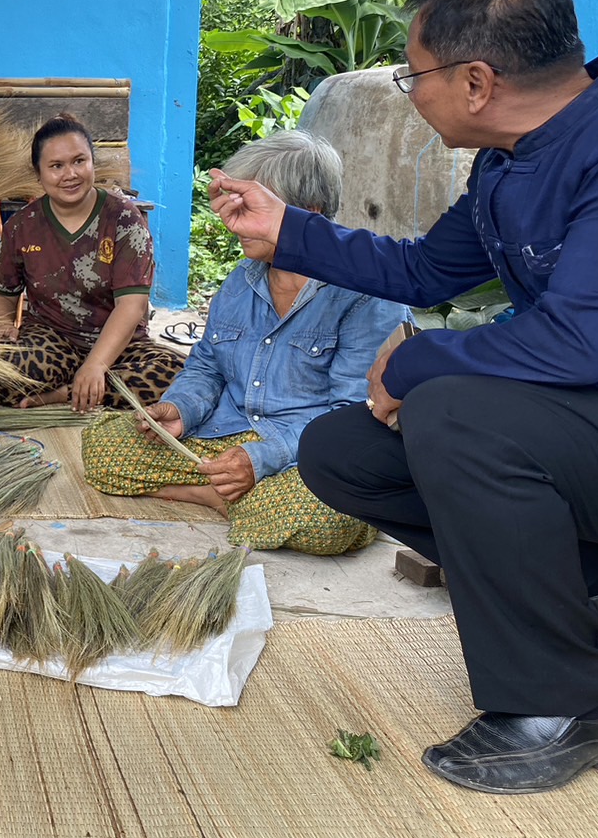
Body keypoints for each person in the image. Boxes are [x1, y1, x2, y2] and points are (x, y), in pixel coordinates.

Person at [209, 0, 598, 794]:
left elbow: (579, 342)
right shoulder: (510, 159)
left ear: (474, 81)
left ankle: (570, 705)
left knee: (449, 413)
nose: (411, 89)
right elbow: (422, 272)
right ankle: (584, 576)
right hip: (587, 431)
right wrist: (287, 226)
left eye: (414, 73)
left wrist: (420, 357)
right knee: (339, 451)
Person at [81, 132, 408, 555]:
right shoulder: (242, 281)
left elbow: (353, 417)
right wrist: (180, 408)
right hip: (226, 438)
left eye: (248, 206)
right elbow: (207, 367)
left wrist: (261, 461)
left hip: (307, 457)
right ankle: (236, 502)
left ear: (307, 216)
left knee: (330, 516)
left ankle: (213, 497)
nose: (231, 220)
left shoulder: (366, 294)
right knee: (104, 446)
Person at [0, 113, 184, 411]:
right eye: (56, 166)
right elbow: (0, 294)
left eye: (79, 161)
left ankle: (63, 394)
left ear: (92, 162)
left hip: (119, 345)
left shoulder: (124, 219)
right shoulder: (22, 225)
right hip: (50, 340)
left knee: (181, 376)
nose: (70, 174)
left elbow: (132, 306)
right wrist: (1, 328)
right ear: (38, 174)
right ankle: (89, 390)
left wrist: (96, 365)